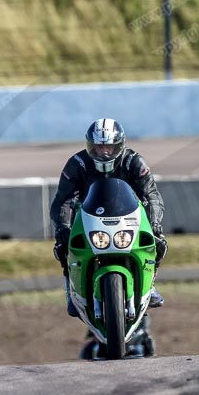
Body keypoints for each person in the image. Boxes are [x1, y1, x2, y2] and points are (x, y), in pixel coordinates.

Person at [50, 118, 167, 320]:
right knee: (63, 246)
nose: (103, 152)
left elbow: (152, 195)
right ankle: (72, 291)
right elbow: (63, 199)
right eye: (98, 147)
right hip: (88, 219)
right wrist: (63, 226)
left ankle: (150, 286)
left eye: (109, 147)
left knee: (158, 244)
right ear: (89, 146)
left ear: (119, 146)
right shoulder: (76, 164)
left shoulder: (134, 161)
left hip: (129, 219)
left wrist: (154, 223)